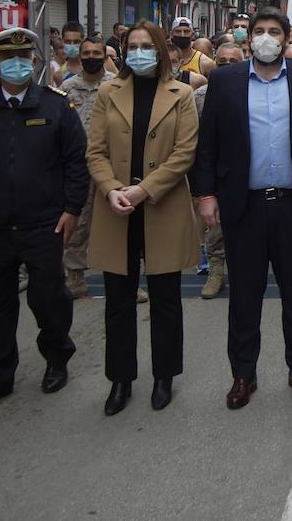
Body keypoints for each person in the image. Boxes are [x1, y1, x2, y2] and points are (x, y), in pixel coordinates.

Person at [191, 8, 292, 409]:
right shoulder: (225, 80)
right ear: (248, 38)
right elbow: (209, 144)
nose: (266, 37)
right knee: (245, 296)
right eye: (259, 31)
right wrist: (206, 195)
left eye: (274, 31)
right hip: (244, 205)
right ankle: (243, 374)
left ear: (287, 38)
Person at [0, 28, 89, 415]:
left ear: (34, 61)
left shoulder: (56, 106)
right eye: (6, 58)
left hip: (44, 223)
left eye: (24, 57)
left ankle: (57, 359)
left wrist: (72, 210)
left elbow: (76, 164)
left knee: (49, 299)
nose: (16, 64)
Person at [85, 21, 199, 415]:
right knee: (118, 300)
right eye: (130, 45)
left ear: (160, 49)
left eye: (145, 45)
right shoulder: (107, 92)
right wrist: (111, 189)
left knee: (166, 299)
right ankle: (120, 379)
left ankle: (164, 376)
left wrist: (143, 189)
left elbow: (184, 154)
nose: (137, 51)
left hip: (160, 206)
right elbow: (95, 151)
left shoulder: (181, 93)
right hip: (116, 208)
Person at [63, 35, 114, 298]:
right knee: (78, 223)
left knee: (115, 225)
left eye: (97, 53)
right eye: (87, 53)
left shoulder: (117, 85)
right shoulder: (68, 88)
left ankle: (121, 281)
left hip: (111, 166)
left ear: (105, 56)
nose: (91, 58)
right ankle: (75, 278)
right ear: (79, 56)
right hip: (79, 167)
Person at [194, 41, 246, 300]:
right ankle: (216, 271)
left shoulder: (254, 89)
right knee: (215, 229)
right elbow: (198, 141)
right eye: (221, 62)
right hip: (216, 172)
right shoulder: (201, 95)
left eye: (232, 62)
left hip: (246, 172)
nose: (226, 67)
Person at [52, 21, 87, 87]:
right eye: (67, 41)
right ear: (62, 41)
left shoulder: (98, 63)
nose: (72, 45)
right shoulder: (59, 75)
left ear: (83, 41)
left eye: (76, 41)